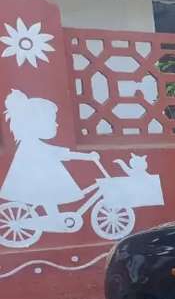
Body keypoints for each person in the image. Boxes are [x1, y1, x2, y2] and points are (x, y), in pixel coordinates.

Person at [0, 89, 100, 218]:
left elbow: (60, 153)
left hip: (40, 180)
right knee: (49, 194)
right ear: (34, 124)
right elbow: (61, 154)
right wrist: (87, 156)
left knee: (49, 197)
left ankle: (54, 219)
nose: (57, 124)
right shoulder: (34, 146)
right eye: (52, 120)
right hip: (38, 181)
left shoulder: (30, 145)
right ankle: (54, 220)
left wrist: (87, 157)